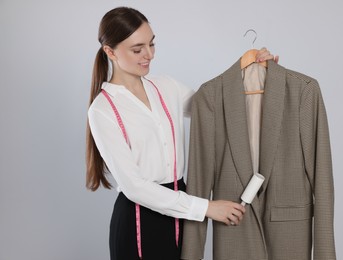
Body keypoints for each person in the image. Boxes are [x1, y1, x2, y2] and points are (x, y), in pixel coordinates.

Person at [86, 6, 277, 260]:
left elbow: (214, 107)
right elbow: (135, 187)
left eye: (152, 44)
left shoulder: (165, 86)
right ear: (110, 52)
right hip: (139, 220)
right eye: (137, 49)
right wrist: (207, 207)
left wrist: (252, 70)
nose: (149, 55)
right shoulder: (102, 110)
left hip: (182, 213)